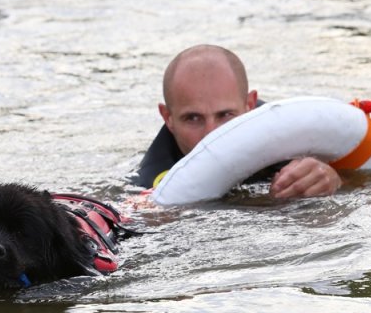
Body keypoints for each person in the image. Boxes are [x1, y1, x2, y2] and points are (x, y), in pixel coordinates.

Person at [132, 44, 342, 198]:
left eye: (225, 115)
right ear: (168, 118)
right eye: (193, 118)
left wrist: (333, 178)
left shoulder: (287, 142)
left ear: (249, 106)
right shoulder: (151, 183)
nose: (211, 134)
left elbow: (364, 180)